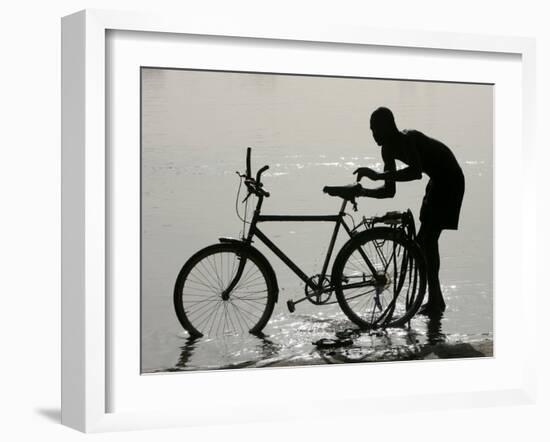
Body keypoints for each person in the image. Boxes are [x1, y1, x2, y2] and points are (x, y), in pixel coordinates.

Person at [353, 107, 465, 316]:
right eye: (371, 131)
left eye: (376, 130)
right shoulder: (387, 149)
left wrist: (377, 175)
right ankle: (436, 300)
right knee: (426, 243)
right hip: (436, 181)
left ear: (388, 126)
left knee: (426, 241)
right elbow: (389, 191)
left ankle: (435, 301)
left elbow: (415, 172)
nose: (374, 135)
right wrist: (363, 192)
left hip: (450, 180)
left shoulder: (408, 138)